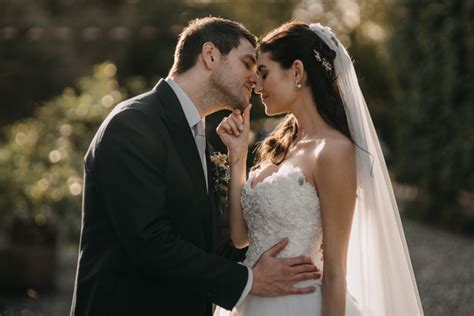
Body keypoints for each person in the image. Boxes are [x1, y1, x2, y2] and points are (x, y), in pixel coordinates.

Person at [70, 17, 320, 316]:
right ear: (211, 55)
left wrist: (266, 263)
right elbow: (150, 243)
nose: (255, 80)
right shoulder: (133, 124)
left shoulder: (200, 138)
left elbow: (205, 241)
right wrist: (249, 280)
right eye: (247, 63)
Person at [215, 22, 423, 315]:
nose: (257, 86)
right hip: (252, 301)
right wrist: (237, 154)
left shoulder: (334, 152)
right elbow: (240, 237)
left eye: (263, 73)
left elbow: (336, 270)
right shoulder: (281, 147)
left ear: (297, 71)